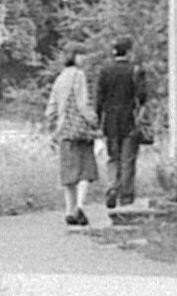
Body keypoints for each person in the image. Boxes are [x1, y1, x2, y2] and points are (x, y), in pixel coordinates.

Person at [45, 46, 100, 227]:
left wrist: (52, 127)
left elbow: (51, 107)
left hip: (63, 130)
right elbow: (82, 103)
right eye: (81, 55)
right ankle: (79, 206)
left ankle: (68, 210)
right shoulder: (79, 75)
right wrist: (93, 120)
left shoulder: (60, 77)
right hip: (80, 130)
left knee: (68, 172)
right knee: (85, 170)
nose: (84, 58)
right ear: (74, 57)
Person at [90, 37, 148, 210]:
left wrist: (97, 120)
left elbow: (99, 98)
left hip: (110, 122)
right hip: (129, 120)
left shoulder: (105, 71)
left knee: (113, 157)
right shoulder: (135, 70)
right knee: (127, 159)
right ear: (129, 51)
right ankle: (126, 196)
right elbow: (142, 97)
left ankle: (112, 187)